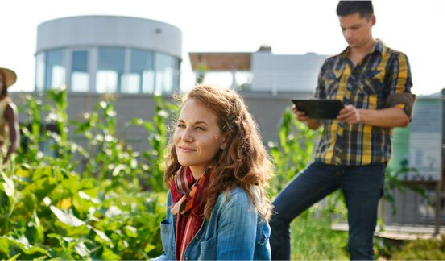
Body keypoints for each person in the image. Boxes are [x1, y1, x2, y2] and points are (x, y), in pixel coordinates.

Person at [270, 1, 415, 260]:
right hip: (326, 162)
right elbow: (316, 124)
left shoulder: (395, 60)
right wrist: (307, 116)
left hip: (367, 166)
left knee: (360, 246)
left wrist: (361, 115)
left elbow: (402, 115)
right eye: (343, 28)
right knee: (273, 215)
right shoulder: (331, 65)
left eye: (355, 27)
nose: (349, 34)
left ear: (372, 21)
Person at [153, 84, 273, 261]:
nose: (185, 137)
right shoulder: (181, 188)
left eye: (199, 128)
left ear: (226, 139)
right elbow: (171, 257)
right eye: (181, 125)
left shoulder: (236, 200)